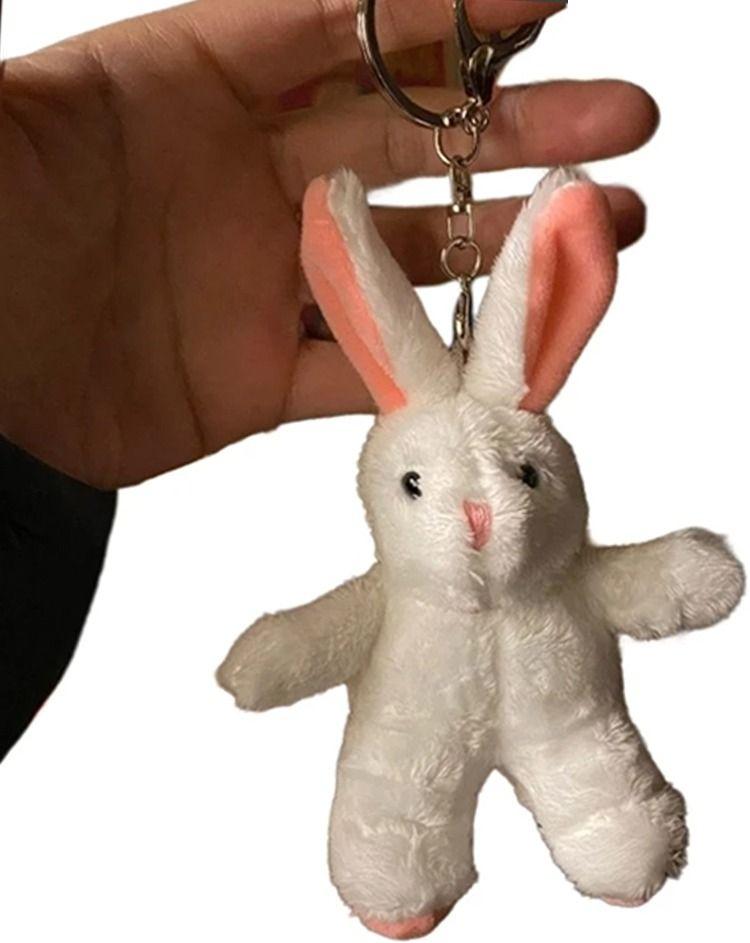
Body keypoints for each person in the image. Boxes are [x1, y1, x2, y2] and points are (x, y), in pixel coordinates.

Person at [0, 0, 659, 760]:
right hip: (411, 740)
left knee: (590, 770)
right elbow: (327, 633)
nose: (479, 517)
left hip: (567, 729)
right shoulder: (402, 591)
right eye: (414, 486)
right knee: (394, 792)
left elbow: (633, 582)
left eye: (526, 475)